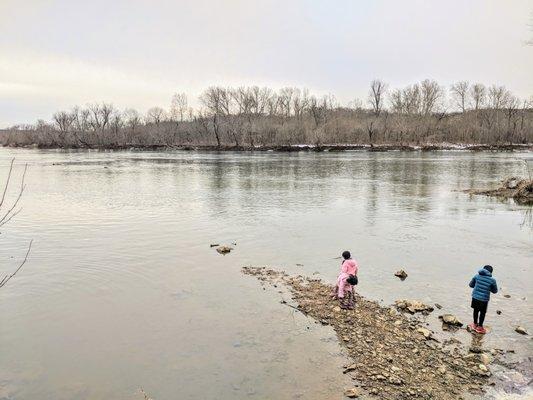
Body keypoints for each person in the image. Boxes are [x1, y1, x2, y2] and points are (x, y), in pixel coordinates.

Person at [468, 265, 498, 334]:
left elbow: (470, 285)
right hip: (484, 299)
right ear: (491, 272)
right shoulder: (492, 280)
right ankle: (480, 327)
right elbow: (495, 291)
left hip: (475, 297)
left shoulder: (476, 276)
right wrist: (488, 288)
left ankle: (474, 324)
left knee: (475, 310)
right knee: (482, 313)